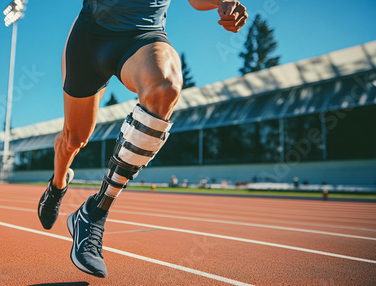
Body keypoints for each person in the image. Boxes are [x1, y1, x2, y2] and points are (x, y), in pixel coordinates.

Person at [38, 0, 248, 277]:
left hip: (142, 37)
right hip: (90, 38)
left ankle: (94, 213)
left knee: (165, 85)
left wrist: (221, 1)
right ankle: (57, 184)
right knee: (75, 139)